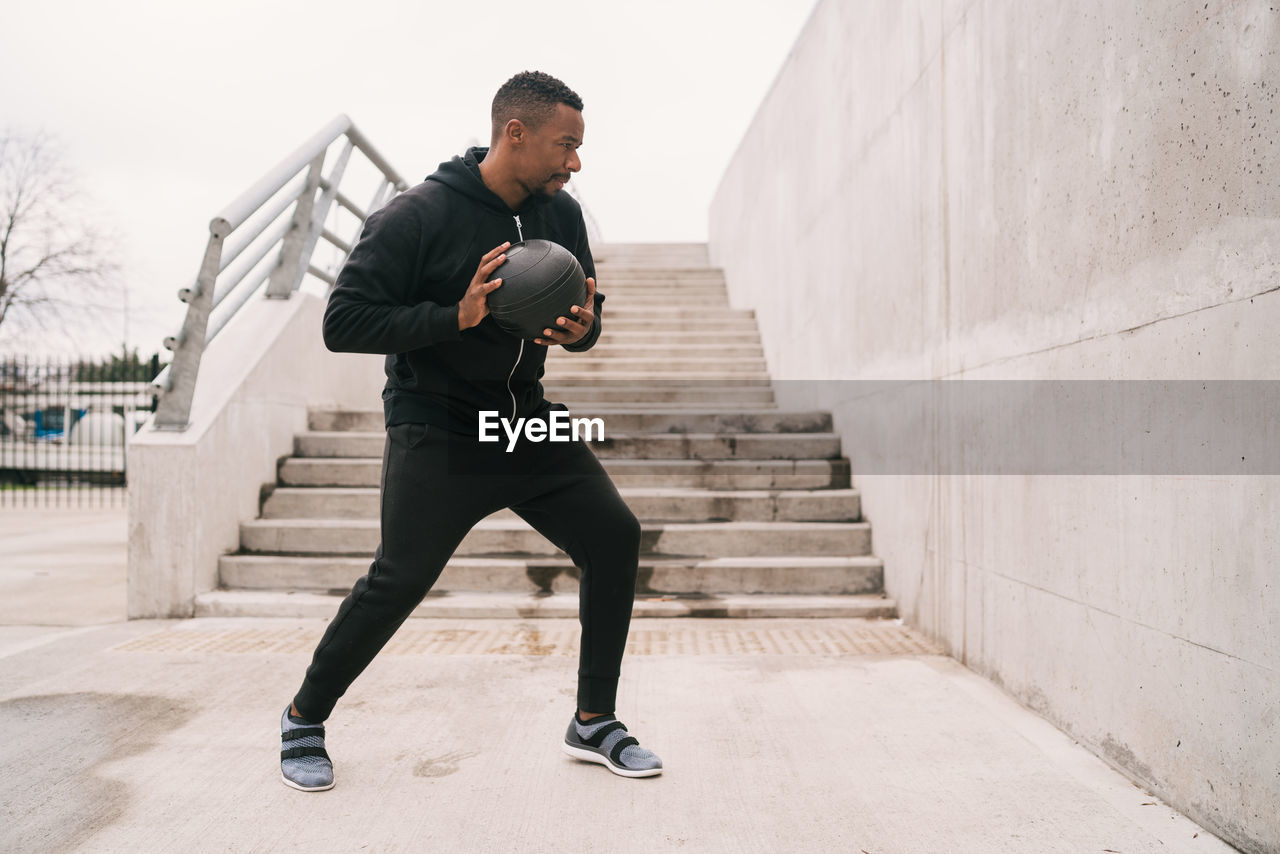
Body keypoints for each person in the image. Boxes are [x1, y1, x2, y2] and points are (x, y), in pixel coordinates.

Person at [278, 71, 662, 791]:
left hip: (523, 416)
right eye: (564, 145)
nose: (574, 162)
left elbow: (585, 317)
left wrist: (582, 330)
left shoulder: (562, 216)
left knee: (614, 535)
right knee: (400, 579)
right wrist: (454, 317)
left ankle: (594, 721)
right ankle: (304, 717)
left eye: (578, 148)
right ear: (514, 134)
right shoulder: (417, 216)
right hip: (439, 423)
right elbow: (343, 322)